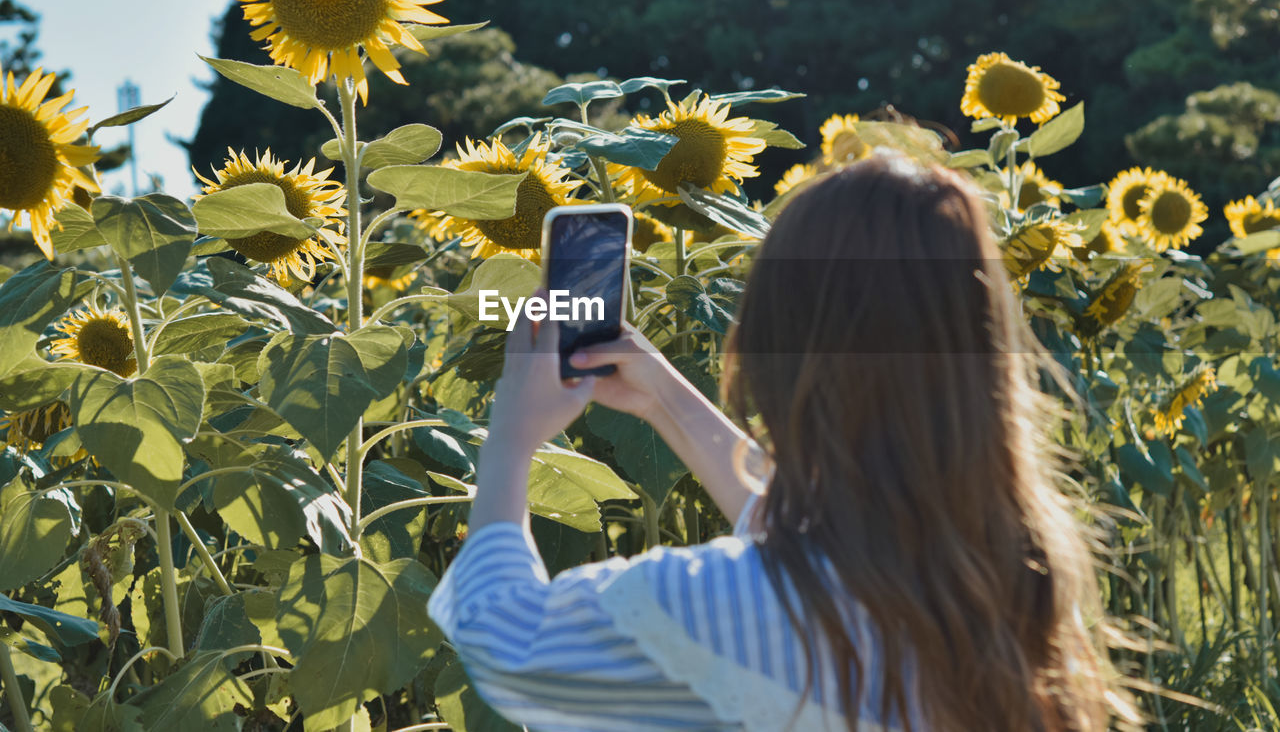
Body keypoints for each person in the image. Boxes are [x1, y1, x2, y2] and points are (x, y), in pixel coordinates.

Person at [427, 150, 1139, 731]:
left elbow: (504, 640)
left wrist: (510, 438)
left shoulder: (716, 605)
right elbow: (827, 540)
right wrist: (664, 397)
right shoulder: (1011, 572)